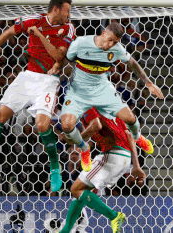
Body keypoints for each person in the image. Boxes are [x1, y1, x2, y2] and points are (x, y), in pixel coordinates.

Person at [0, 0, 76, 192]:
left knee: (42, 124)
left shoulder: (68, 28)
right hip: (27, 76)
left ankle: (55, 166)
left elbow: (58, 56)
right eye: (67, 11)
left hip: (47, 80)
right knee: (0, 115)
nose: (69, 15)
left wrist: (38, 34)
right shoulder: (35, 20)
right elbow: (8, 32)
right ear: (55, 9)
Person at [56, 22, 163, 172]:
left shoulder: (116, 49)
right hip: (79, 90)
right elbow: (66, 59)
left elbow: (132, 63)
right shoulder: (81, 43)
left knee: (130, 118)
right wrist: (56, 68)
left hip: (102, 88)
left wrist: (149, 83)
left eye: (116, 42)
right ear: (104, 33)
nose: (111, 44)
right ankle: (84, 147)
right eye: (110, 39)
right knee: (67, 126)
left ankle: (138, 137)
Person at [59, 107, 147, 233]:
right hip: (124, 157)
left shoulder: (89, 104)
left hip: (112, 154)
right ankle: (66, 230)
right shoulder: (112, 109)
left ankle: (114, 216)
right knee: (79, 193)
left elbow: (96, 125)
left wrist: (76, 140)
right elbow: (129, 135)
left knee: (76, 189)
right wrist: (136, 165)